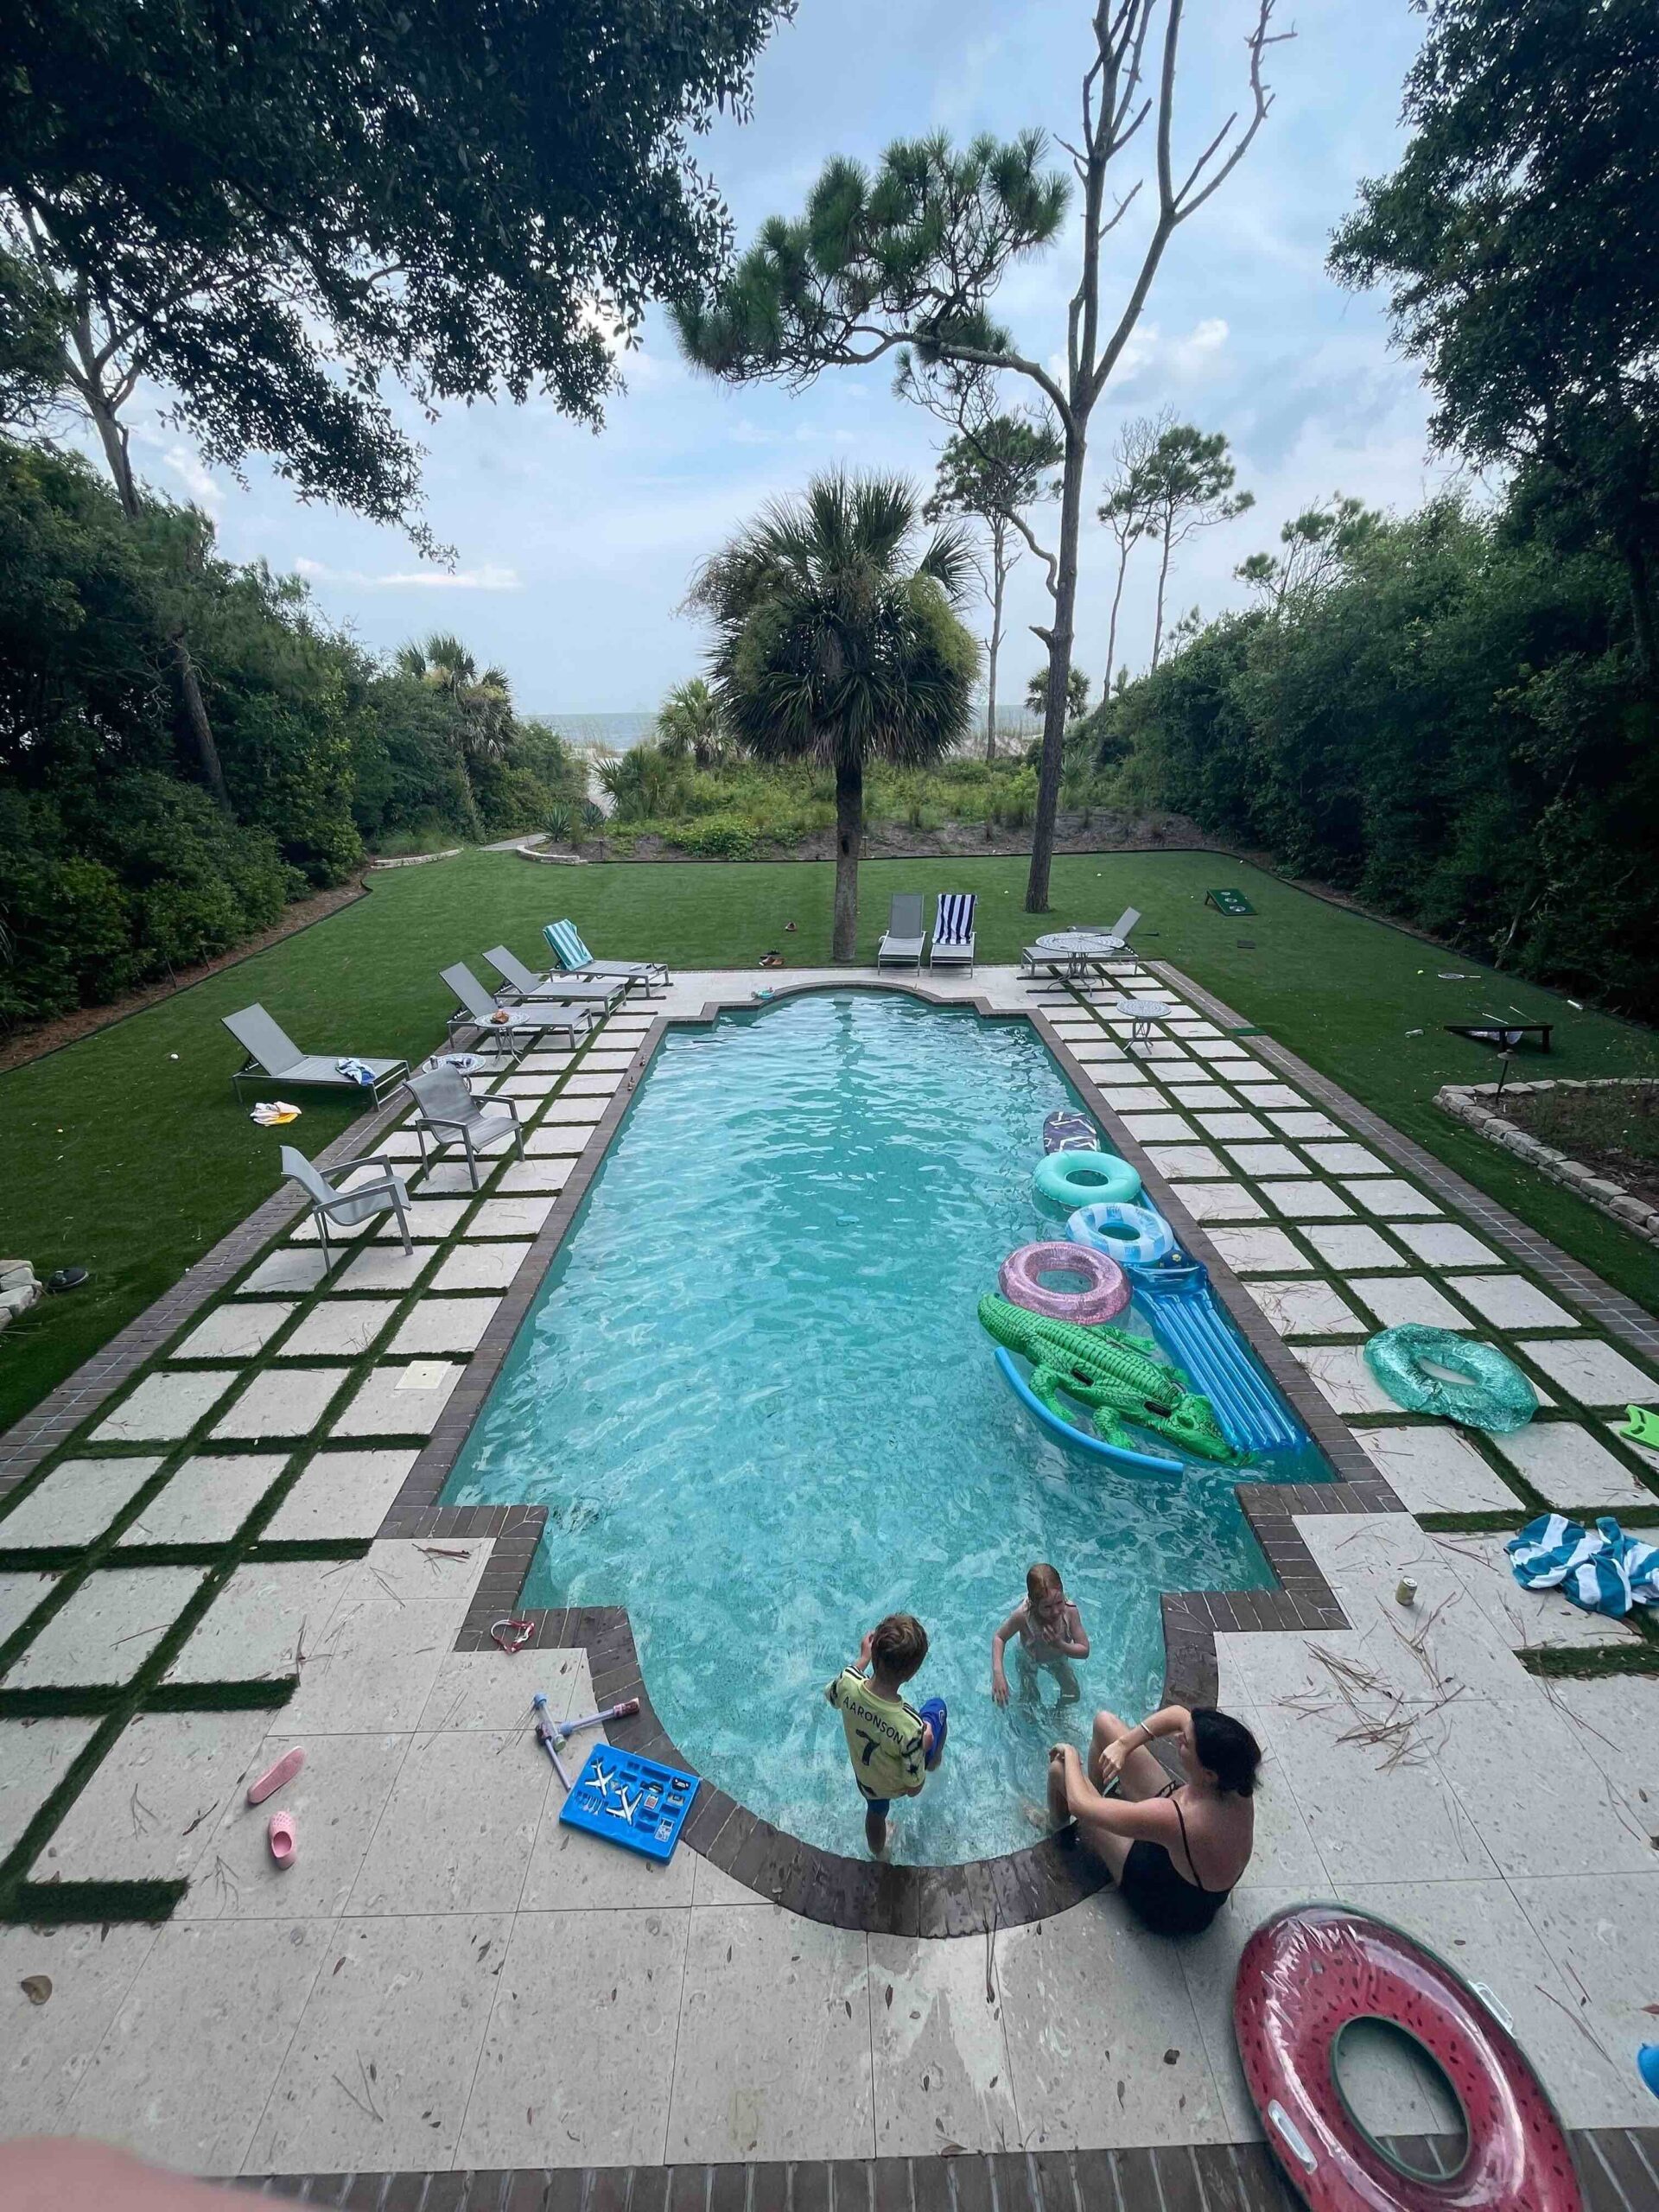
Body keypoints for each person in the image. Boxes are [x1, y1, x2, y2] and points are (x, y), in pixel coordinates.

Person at [1046, 1702, 1259, 1935]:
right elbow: (1178, 1714)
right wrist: (1124, 1745)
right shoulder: (1236, 1782)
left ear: (1209, 1775)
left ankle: (1055, 1827)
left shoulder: (1180, 1818)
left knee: (1060, 1770)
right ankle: (1098, 1799)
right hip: (1185, 1864)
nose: (1178, 1739)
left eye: (1186, 1744)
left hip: (1166, 1902)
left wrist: (1071, 1754)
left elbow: (1080, 1804)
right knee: (1104, 1723)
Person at [825, 1612, 948, 1856]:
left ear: (874, 1656)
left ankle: (879, 1854)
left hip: (867, 1782)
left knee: (876, 1813)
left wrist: (860, 1661)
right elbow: (914, 1789)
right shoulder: (910, 1727)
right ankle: (934, 1762)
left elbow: (830, 1695)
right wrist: (924, 1746)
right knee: (937, 1708)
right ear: (911, 1675)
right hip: (896, 1784)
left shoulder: (848, 1682)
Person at [990, 1563, 1090, 1707]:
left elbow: (1084, 1650)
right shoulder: (1023, 1616)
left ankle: (1059, 1713)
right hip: (1029, 1659)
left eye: (1059, 1602)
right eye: (1047, 1607)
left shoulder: (1070, 1612)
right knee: (1029, 1700)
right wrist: (998, 1674)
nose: (1055, 1611)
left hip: (1058, 1659)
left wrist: (1060, 1645)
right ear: (1033, 1603)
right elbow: (999, 1638)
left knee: (1073, 1694)